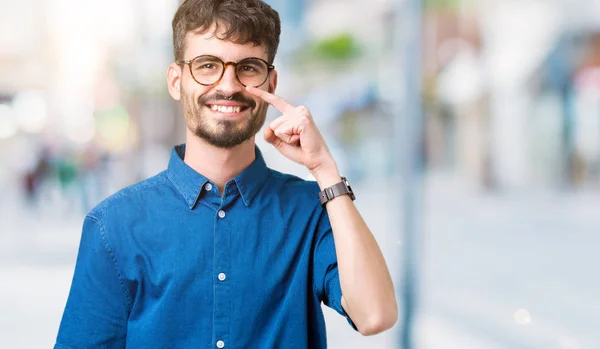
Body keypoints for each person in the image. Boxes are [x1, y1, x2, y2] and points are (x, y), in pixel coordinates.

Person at [54, 0, 397, 348]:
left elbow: (375, 315)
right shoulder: (114, 225)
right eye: (207, 65)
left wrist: (325, 169)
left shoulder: (311, 211)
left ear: (271, 82)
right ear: (176, 81)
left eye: (248, 67)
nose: (229, 85)